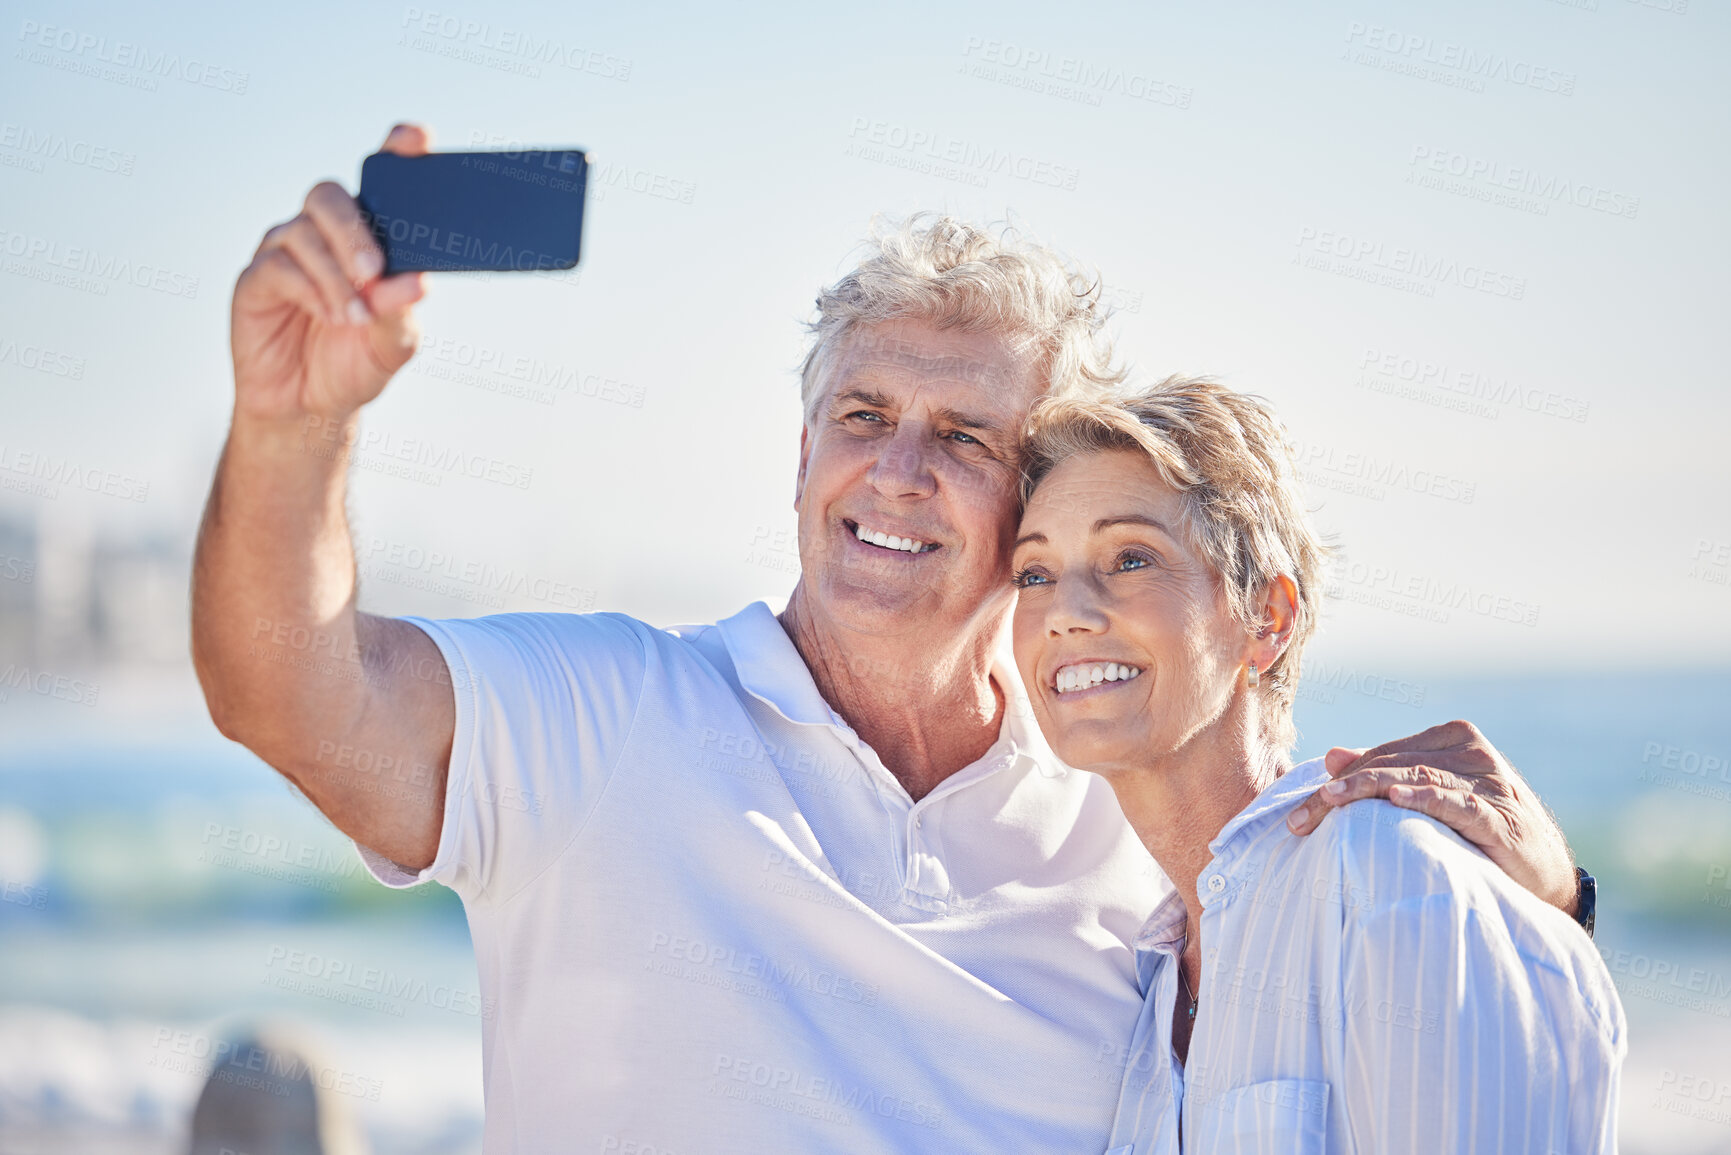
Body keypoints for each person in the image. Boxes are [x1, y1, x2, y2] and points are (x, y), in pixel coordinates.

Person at [191, 122, 1590, 1151]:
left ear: (1023, 504)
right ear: (802, 452)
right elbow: (287, 688)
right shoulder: (607, 712)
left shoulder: (1130, 820)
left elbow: (1370, 1015)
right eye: (861, 416)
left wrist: (1546, 912)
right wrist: (294, 423)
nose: (895, 469)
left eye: (964, 436)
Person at [1010, 378, 1624, 1153]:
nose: (1066, 608)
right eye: (1033, 573)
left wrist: (1558, 905)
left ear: (1265, 619)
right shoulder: (1148, 981)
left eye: (1129, 558)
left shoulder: (1388, 874)